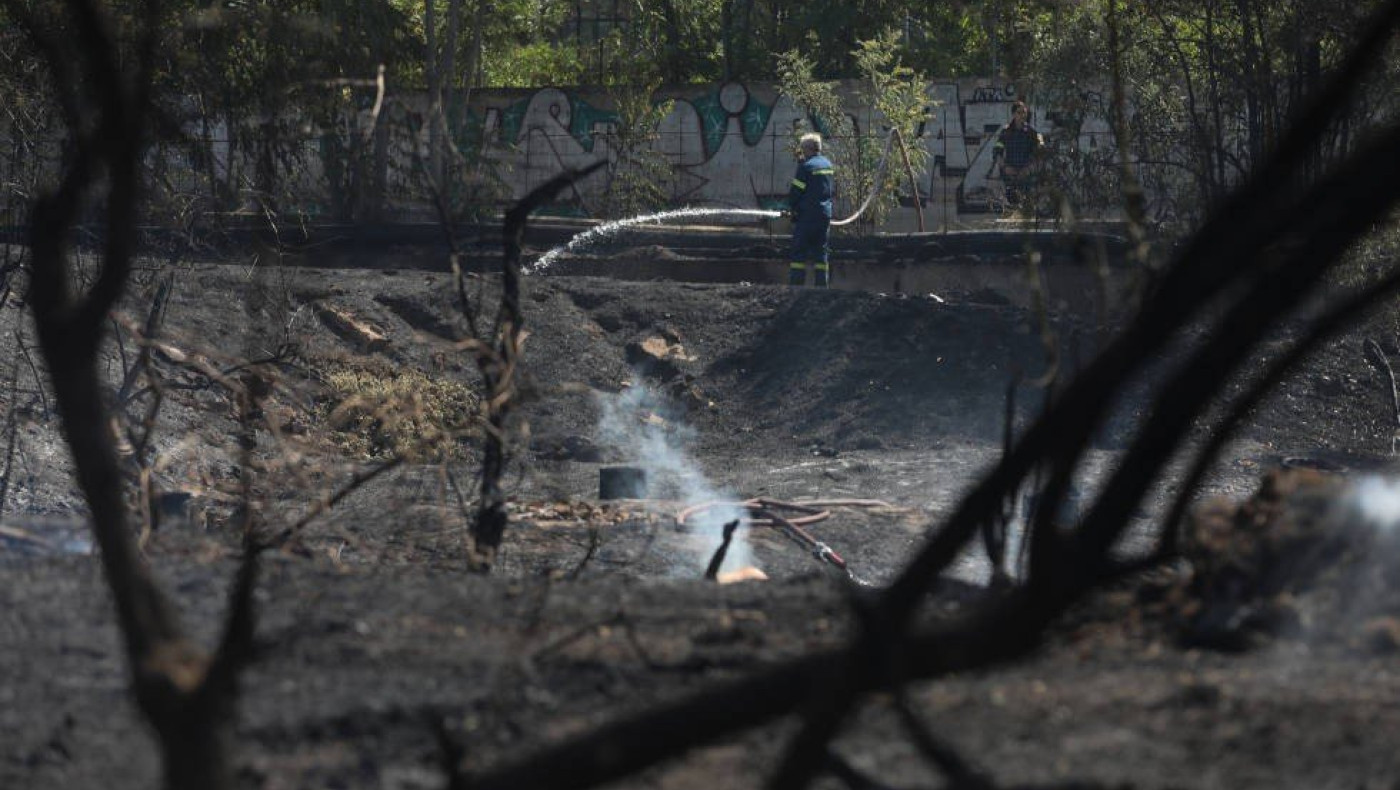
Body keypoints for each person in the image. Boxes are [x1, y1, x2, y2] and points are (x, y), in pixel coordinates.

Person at [787, 132, 835, 287]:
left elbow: (796, 192)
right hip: (824, 215)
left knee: (799, 252)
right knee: (821, 252)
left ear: (808, 148)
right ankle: (822, 289)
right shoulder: (827, 165)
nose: (802, 152)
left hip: (807, 216)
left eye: (802, 149)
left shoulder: (806, 167)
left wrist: (792, 208)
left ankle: (796, 287)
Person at [988, 101, 1044, 211]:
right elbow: (997, 151)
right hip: (1010, 174)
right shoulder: (1006, 131)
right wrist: (1005, 167)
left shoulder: (1031, 132)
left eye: (1024, 112)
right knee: (1012, 204)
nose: (1022, 115)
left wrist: (1030, 169)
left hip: (1026, 174)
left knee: (1027, 206)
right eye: (1019, 112)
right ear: (1013, 114)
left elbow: (1040, 152)